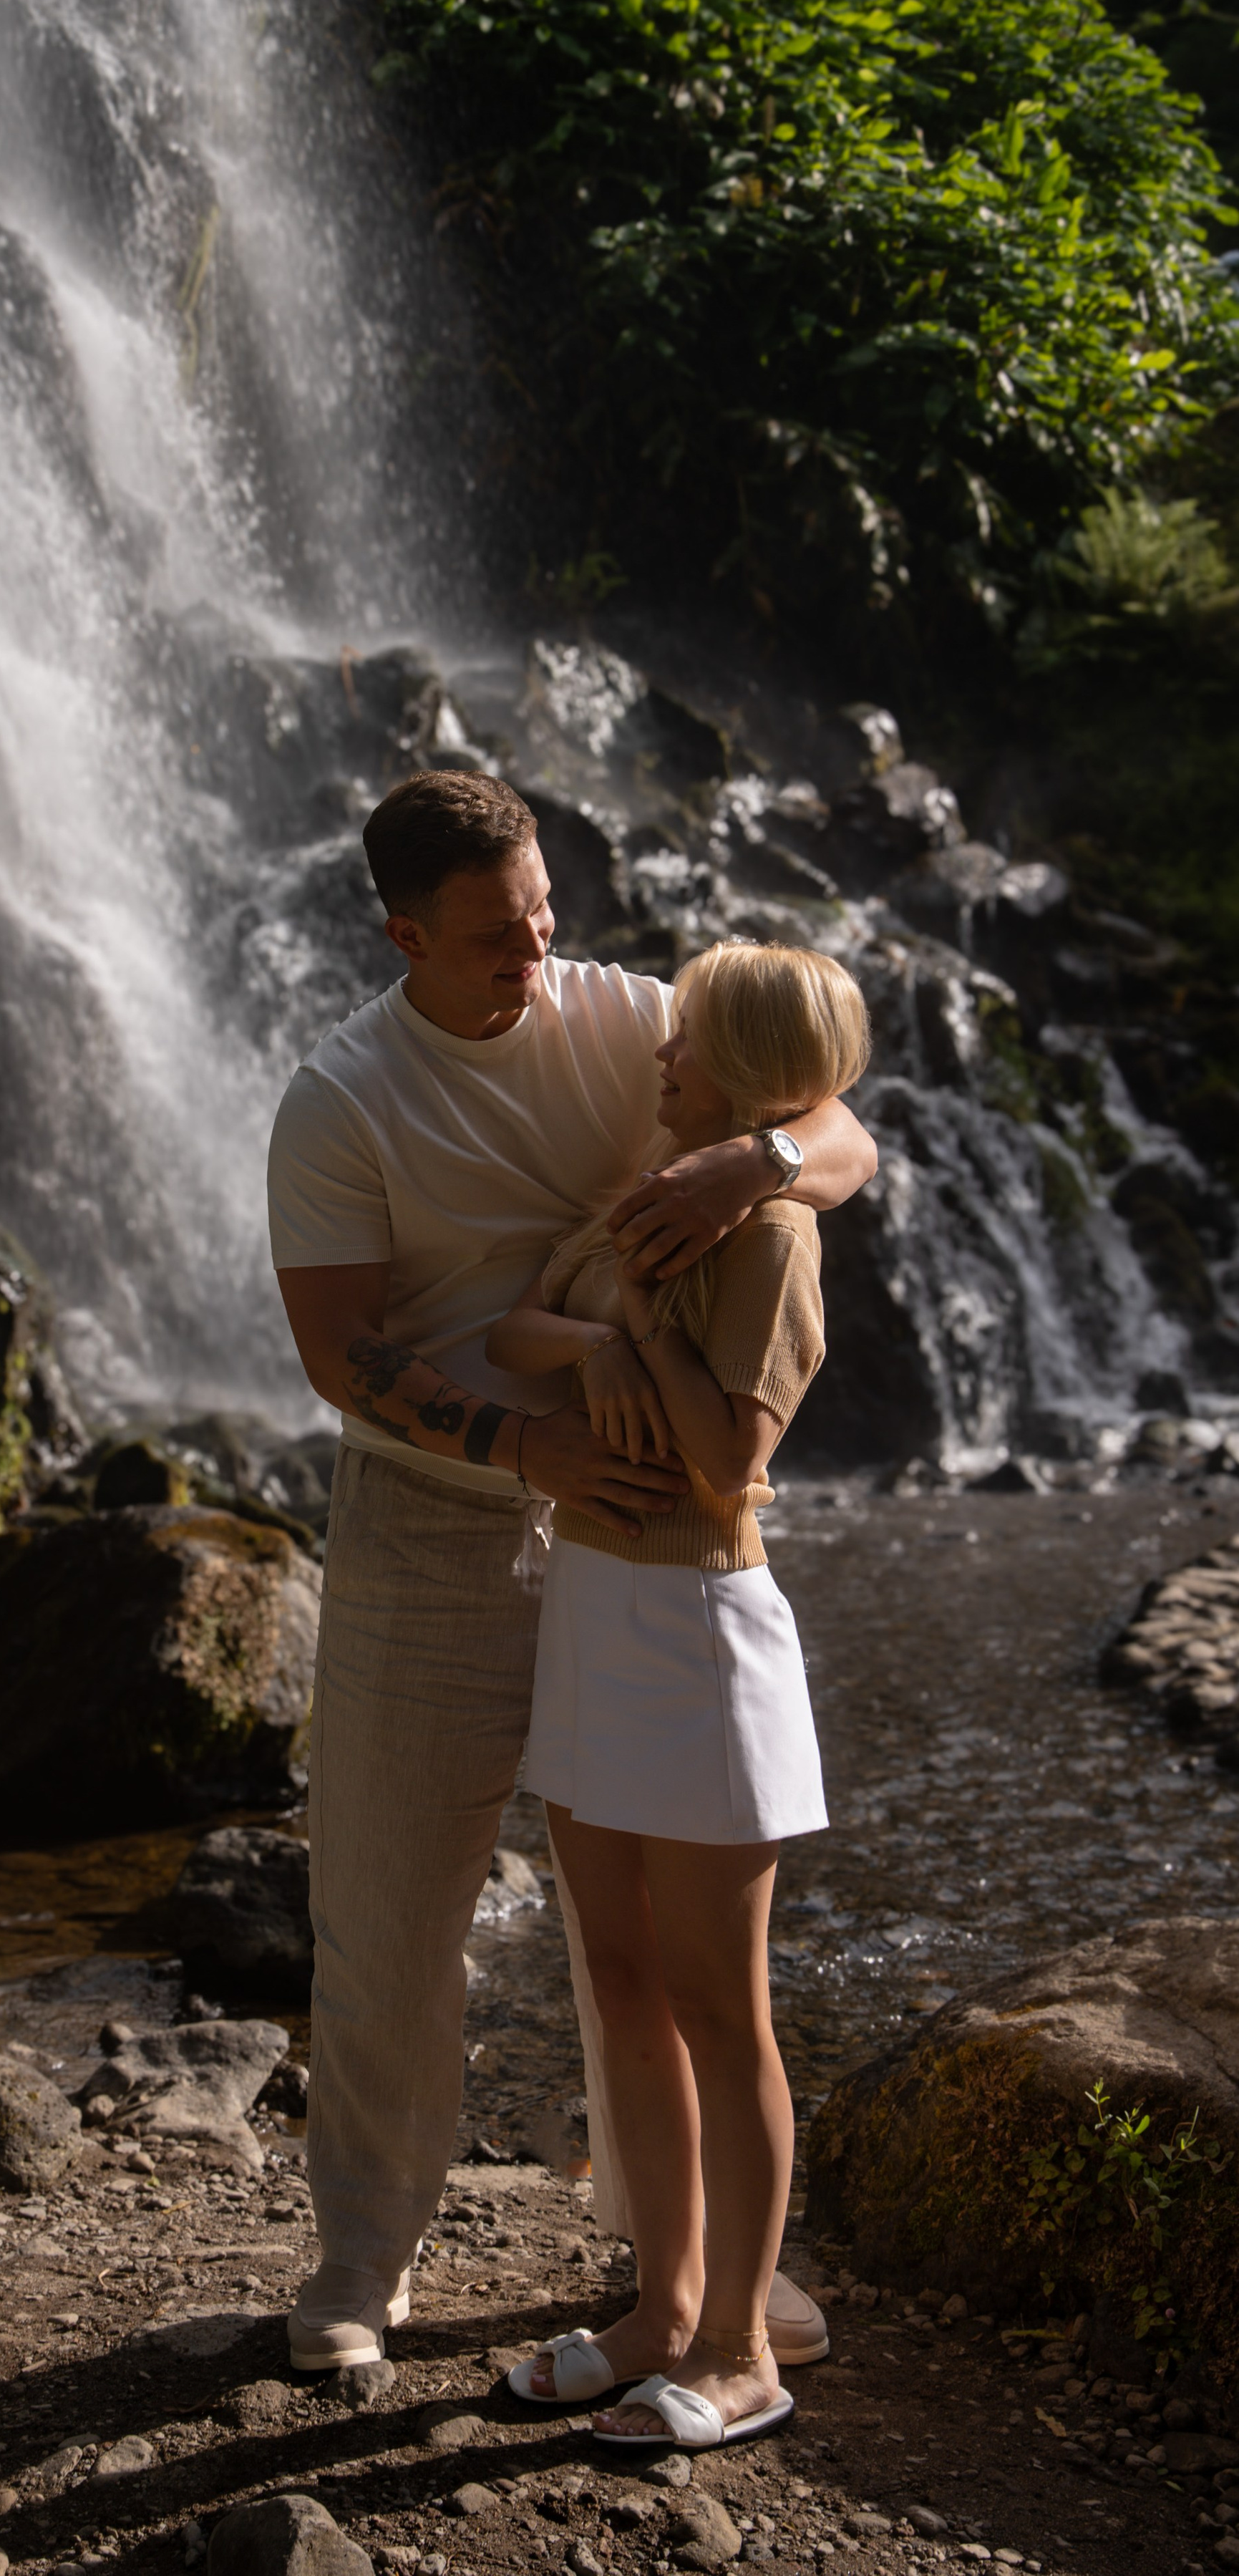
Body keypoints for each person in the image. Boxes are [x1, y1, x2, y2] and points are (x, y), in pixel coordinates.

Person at [267, 768, 877, 2373]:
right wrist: (515, 1444)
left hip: (647, 1534)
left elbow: (844, 1125)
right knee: (390, 1906)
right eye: (490, 941)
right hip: (433, 1518)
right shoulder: (340, 1099)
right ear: (403, 935)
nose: (533, 958)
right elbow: (338, 1352)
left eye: (541, 916)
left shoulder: (624, 1015)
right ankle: (361, 2261)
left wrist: (754, 1162)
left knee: (646, 1927)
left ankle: (672, 2264)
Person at [487, 938, 868, 2451]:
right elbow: (514, 1334)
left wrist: (637, 1330)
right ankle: (656, 2306)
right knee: (624, 1988)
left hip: (698, 1628)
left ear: (755, 1077)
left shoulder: (769, 1240)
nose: (657, 1059)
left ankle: (737, 2353)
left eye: (685, 1042)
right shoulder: (643, 1190)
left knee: (722, 2005)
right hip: (587, 1604)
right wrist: (594, 1332)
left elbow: (723, 1460)